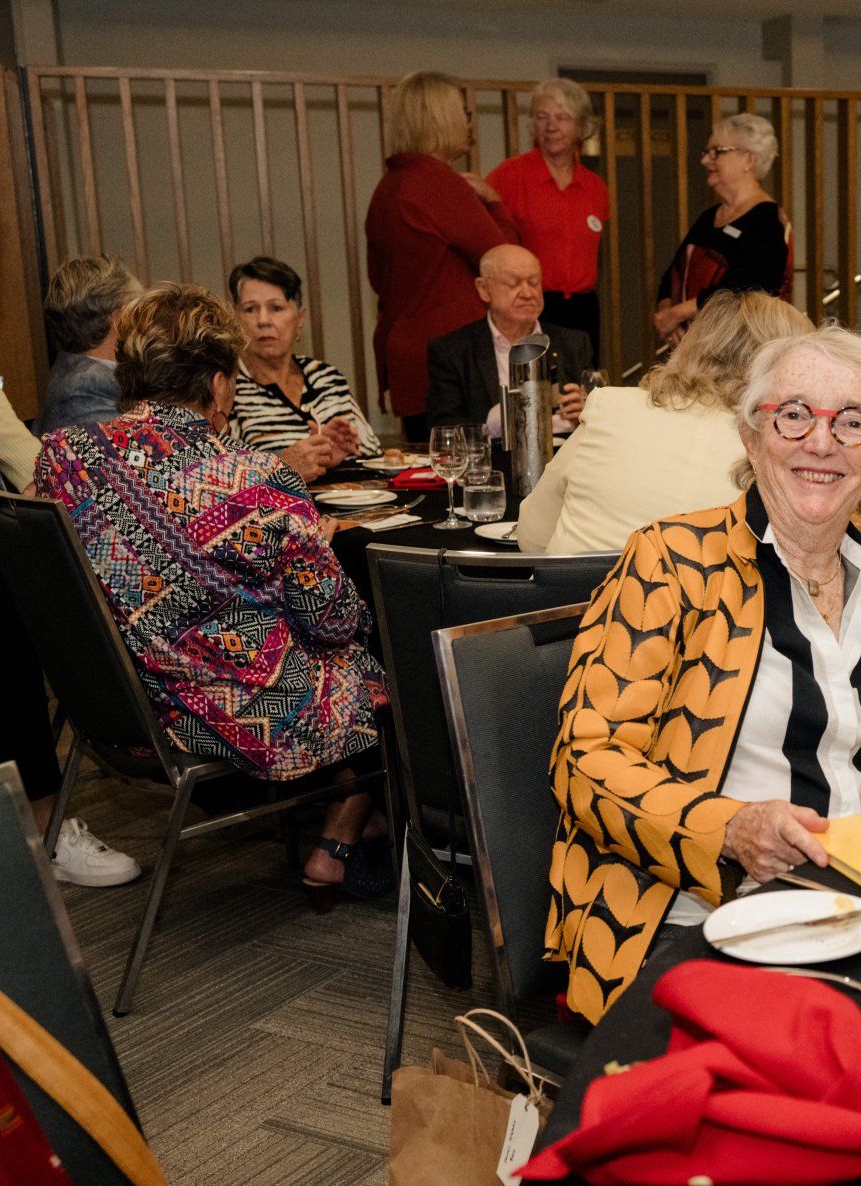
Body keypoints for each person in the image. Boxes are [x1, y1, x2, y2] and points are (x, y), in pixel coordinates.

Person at [545, 326, 861, 1022]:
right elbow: (584, 762)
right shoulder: (671, 561)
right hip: (697, 921)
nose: (821, 442)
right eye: (794, 415)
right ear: (751, 433)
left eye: (852, 423)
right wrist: (729, 831)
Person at [33, 284, 390, 893]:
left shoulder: (62, 456)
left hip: (121, 705)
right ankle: (343, 838)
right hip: (232, 715)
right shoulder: (252, 480)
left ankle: (349, 823)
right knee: (388, 653)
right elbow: (331, 622)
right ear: (220, 383)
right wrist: (316, 542)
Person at [0, 257, 140, 887]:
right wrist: (49, 477)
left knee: (1, 656)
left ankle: (37, 827)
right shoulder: (92, 394)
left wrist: (42, 476)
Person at [515, 290, 812, 554]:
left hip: (577, 611)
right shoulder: (776, 445)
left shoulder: (610, 408)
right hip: (714, 615)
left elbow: (532, 537)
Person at [366, 70, 520, 432]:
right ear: (444, 117)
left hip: (407, 354)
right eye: (465, 113)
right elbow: (506, 261)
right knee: (473, 472)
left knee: (429, 466)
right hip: (455, 362)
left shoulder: (387, 187)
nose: (470, 124)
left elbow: (377, 278)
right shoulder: (436, 182)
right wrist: (496, 204)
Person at [228, 256, 379, 481]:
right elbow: (219, 479)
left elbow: (376, 458)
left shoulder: (327, 378)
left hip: (350, 507)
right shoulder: (227, 389)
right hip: (273, 513)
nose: (263, 320)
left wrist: (336, 454)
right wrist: (284, 466)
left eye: (276, 308)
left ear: (299, 318)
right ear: (236, 319)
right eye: (250, 309)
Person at [486, 78, 608, 356]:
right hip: (528, 304)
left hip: (583, 307)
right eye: (542, 117)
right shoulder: (510, 175)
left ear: (580, 126)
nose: (551, 127)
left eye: (562, 118)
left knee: (581, 390)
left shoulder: (596, 188)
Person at [654, 113, 793, 346]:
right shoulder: (709, 217)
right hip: (695, 348)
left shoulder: (767, 220)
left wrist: (678, 313)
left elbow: (749, 290)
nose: (706, 161)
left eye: (717, 151)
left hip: (742, 349)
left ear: (748, 159)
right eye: (707, 152)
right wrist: (668, 319)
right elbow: (672, 276)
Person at [425, 243, 590, 435]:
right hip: (491, 461)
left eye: (534, 282)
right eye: (513, 284)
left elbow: (604, 421)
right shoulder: (452, 351)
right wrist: (494, 424)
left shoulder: (574, 343)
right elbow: (443, 428)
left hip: (562, 460)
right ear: (483, 289)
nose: (528, 294)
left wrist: (587, 413)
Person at [39, 254, 142, 433]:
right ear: (118, 317)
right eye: (140, 309)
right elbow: (147, 455)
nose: (147, 321)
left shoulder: (82, 374)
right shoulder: (84, 390)